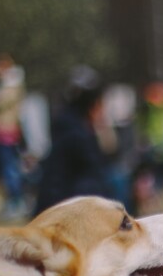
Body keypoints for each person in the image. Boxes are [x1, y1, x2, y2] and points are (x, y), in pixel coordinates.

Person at [33, 66, 110, 216]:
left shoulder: (66, 127)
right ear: (92, 103)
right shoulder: (78, 137)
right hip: (64, 216)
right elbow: (97, 185)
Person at [0, 53, 28, 219]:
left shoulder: (12, 84)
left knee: (9, 168)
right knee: (6, 168)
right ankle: (12, 201)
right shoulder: (6, 84)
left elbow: (0, 103)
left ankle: (16, 202)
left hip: (7, 130)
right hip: (0, 130)